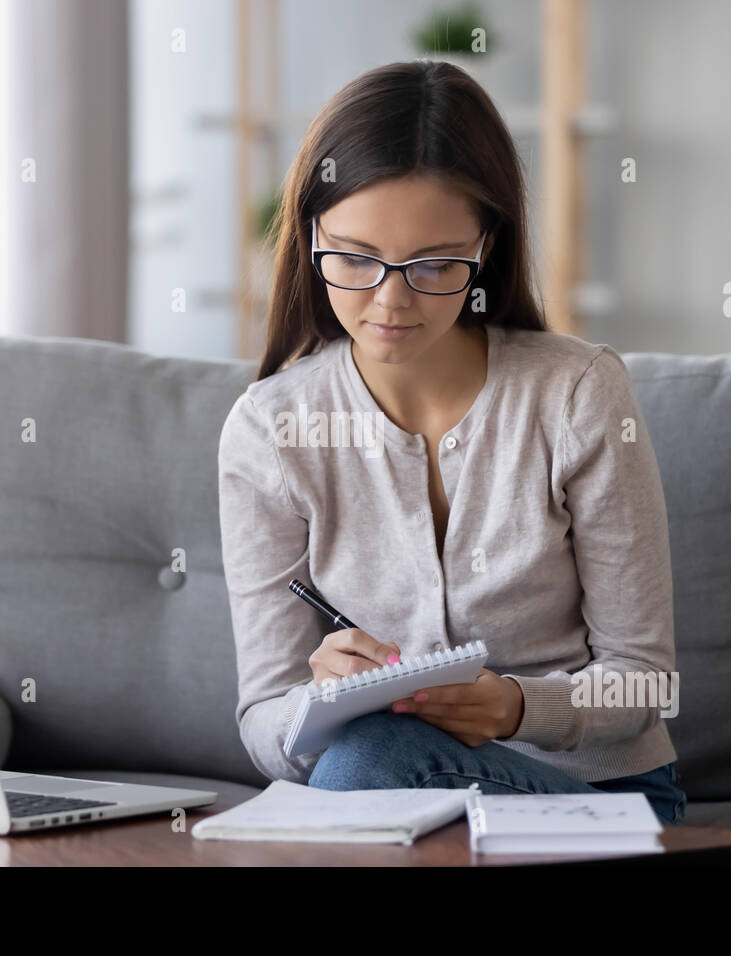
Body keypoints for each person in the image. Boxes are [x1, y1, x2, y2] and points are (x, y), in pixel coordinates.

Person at [217, 60, 686, 827]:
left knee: (369, 761)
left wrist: (514, 708)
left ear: (486, 249)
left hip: (599, 799)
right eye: (356, 258)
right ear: (310, 236)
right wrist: (318, 705)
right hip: (390, 799)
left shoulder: (576, 392)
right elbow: (264, 724)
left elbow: (642, 683)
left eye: (434, 264)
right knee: (362, 756)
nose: (389, 301)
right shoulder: (269, 430)